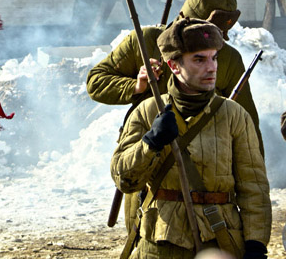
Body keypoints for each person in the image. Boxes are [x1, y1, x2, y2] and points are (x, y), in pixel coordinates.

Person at [87, 0, 264, 231]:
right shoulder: (147, 40)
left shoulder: (228, 59)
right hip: (148, 171)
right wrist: (136, 86)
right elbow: (96, 81)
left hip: (206, 178)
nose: (210, 58)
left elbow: (250, 134)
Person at [111, 17, 271, 259]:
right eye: (199, 59)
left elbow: (254, 189)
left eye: (214, 57)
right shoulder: (147, 111)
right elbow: (124, 180)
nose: (212, 67)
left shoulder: (233, 115)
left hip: (220, 242)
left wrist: (256, 245)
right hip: (161, 243)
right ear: (174, 65)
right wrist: (151, 143)